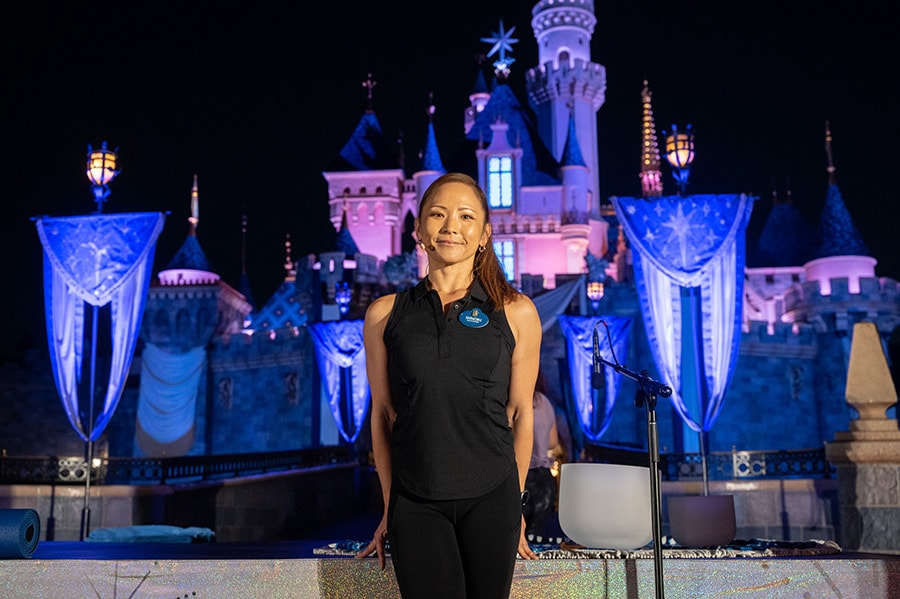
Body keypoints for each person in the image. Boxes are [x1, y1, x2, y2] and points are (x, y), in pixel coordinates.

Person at [356, 172, 543, 598]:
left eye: (465, 216)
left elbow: (519, 413)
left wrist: (514, 508)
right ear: (418, 229)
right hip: (416, 500)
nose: (450, 227)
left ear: (484, 234)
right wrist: (390, 505)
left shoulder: (516, 312)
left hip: (492, 499)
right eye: (437, 215)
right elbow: (383, 414)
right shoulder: (385, 315)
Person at [522, 370, 561, 540]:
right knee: (536, 540)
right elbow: (552, 442)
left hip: (523, 478)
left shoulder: (512, 402)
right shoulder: (544, 402)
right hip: (545, 481)